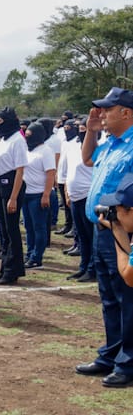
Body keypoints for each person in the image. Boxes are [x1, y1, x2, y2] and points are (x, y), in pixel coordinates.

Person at [75, 87, 133, 387]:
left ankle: (128, 363)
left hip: (122, 230)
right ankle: (111, 355)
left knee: (127, 298)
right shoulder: (110, 144)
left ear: (126, 113)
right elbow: (87, 159)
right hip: (101, 228)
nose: (102, 114)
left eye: (108, 110)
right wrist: (91, 130)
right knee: (109, 297)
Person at [0, 107, 28, 285]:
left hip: (11, 186)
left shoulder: (17, 140)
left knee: (11, 230)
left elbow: (20, 170)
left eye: (0, 121)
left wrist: (13, 197)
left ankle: (12, 270)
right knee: (3, 230)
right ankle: (5, 268)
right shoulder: (0, 139)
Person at [60, 119, 95, 281]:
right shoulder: (72, 146)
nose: (81, 132)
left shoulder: (97, 148)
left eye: (84, 129)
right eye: (80, 129)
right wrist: (67, 192)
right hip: (74, 196)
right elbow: (69, 171)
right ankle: (83, 266)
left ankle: (92, 269)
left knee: (90, 235)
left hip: (88, 195)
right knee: (81, 235)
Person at [21, 122, 56, 269]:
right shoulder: (28, 150)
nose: (27, 137)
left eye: (29, 135)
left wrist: (46, 194)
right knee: (28, 227)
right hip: (26, 194)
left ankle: (37, 257)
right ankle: (30, 253)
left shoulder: (46, 151)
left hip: (39, 194)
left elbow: (50, 173)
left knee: (39, 227)